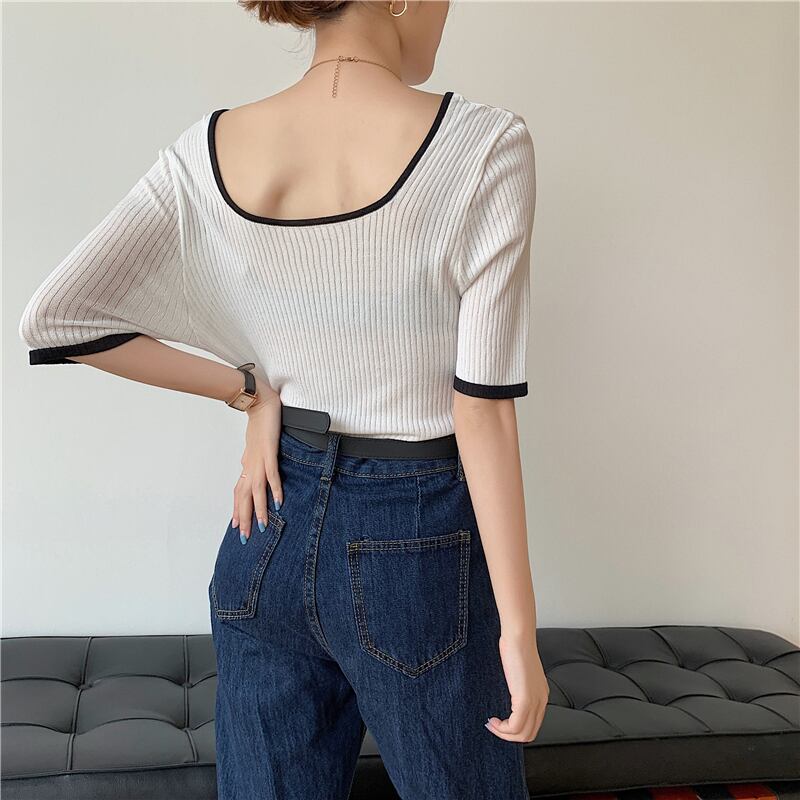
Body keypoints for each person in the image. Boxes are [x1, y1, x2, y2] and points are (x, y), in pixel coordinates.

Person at [17, 0, 549, 797]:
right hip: (415, 541)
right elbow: (481, 408)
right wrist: (519, 630)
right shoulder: (485, 146)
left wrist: (249, 392)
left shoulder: (206, 148)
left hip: (266, 529)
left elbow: (56, 317)